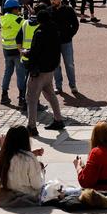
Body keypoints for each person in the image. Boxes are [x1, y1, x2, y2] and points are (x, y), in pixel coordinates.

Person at [23, 8, 65, 136]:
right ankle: (58, 119)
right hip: (50, 68)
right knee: (50, 94)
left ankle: (31, 126)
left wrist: (27, 53)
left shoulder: (40, 32)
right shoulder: (55, 30)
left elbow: (36, 51)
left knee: (31, 98)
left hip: (39, 70)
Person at [0, 124, 46, 206]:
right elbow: (37, 185)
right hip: (28, 197)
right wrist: (41, 171)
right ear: (26, 140)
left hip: (7, 197)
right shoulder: (29, 158)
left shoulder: (4, 156)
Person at [49, 0, 79, 95]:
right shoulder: (49, 11)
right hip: (53, 43)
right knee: (56, 66)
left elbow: (75, 24)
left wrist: (70, 34)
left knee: (69, 64)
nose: (53, 1)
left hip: (66, 41)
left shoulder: (68, 10)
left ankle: (73, 85)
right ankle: (58, 86)